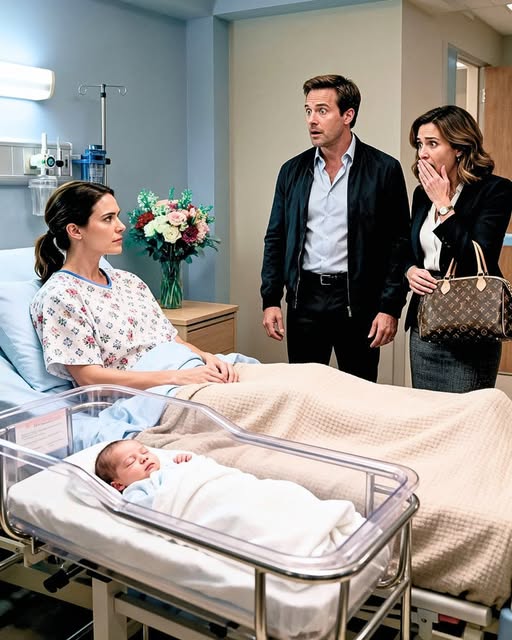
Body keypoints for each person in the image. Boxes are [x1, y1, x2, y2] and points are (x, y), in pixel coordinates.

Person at [260, 74, 410, 383]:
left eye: (322, 110)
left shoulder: (384, 169)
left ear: (347, 115)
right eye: (308, 111)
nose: (311, 120)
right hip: (305, 299)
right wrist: (271, 299)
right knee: (303, 391)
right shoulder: (292, 171)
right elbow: (276, 237)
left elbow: (399, 243)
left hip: (358, 301)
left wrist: (390, 307)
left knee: (359, 393)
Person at [30, 181, 240, 390]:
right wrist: (178, 378)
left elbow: (172, 340)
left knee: (255, 377)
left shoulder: (129, 281)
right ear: (75, 230)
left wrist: (207, 358)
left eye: (117, 216)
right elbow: (89, 378)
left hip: (184, 369)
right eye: (108, 218)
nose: (121, 226)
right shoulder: (61, 296)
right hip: (151, 392)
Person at [95, 439, 364, 556]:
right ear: (118, 484)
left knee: (278, 494)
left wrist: (189, 464)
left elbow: (208, 473)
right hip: (207, 505)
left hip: (227, 487)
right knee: (246, 518)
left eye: (144, 452)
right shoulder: (136, 491)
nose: (143, 458)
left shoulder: (171, 466)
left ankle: (313, 519)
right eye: (131, 461)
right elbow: (148, 514)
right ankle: (304, 538)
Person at [405, 105, 512, 392]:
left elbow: (477, 258)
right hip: (426, 323)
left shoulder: (495, 190)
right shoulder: (421, 194)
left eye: (432, 143)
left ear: (459, 148)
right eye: (419, 144)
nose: (422, 153)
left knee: (466, 413)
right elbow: (408, 248)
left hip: (471, 326)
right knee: (427, 411)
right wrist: (410, 270)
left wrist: (443, 205)